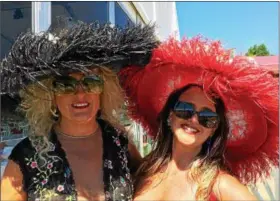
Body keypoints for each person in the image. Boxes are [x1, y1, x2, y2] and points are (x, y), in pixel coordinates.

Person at [0, 18, 158, 201]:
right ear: (50, 95)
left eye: (91, 82)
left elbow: (150, 187)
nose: (81, 93)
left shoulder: (120, 143)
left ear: (104, 89)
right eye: (66, 85)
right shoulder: (25, 156)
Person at [119, 36, 279, 200]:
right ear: (170, 115)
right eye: (185, 109)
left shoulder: (220, 185)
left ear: (213, 129)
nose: (194, 120)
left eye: (206, 116)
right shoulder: (145, 168)